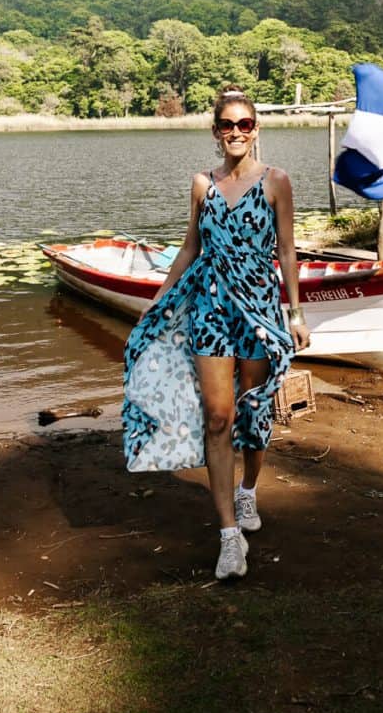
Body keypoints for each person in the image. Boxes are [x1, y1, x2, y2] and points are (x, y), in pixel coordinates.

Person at [122, 85, 311, 581]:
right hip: (210, 310)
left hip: (260, 310)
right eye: (226, 125)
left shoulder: (277, 181)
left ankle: (248, 490)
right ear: (215, 132)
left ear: (255, 130)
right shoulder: (202, 184)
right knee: (218, 417)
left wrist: (295, 314)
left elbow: (288, 251)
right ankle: (229, 537)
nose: (235, 132)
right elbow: (189, 247)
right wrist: (158, 301)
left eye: (243, 125)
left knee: (252, 412)